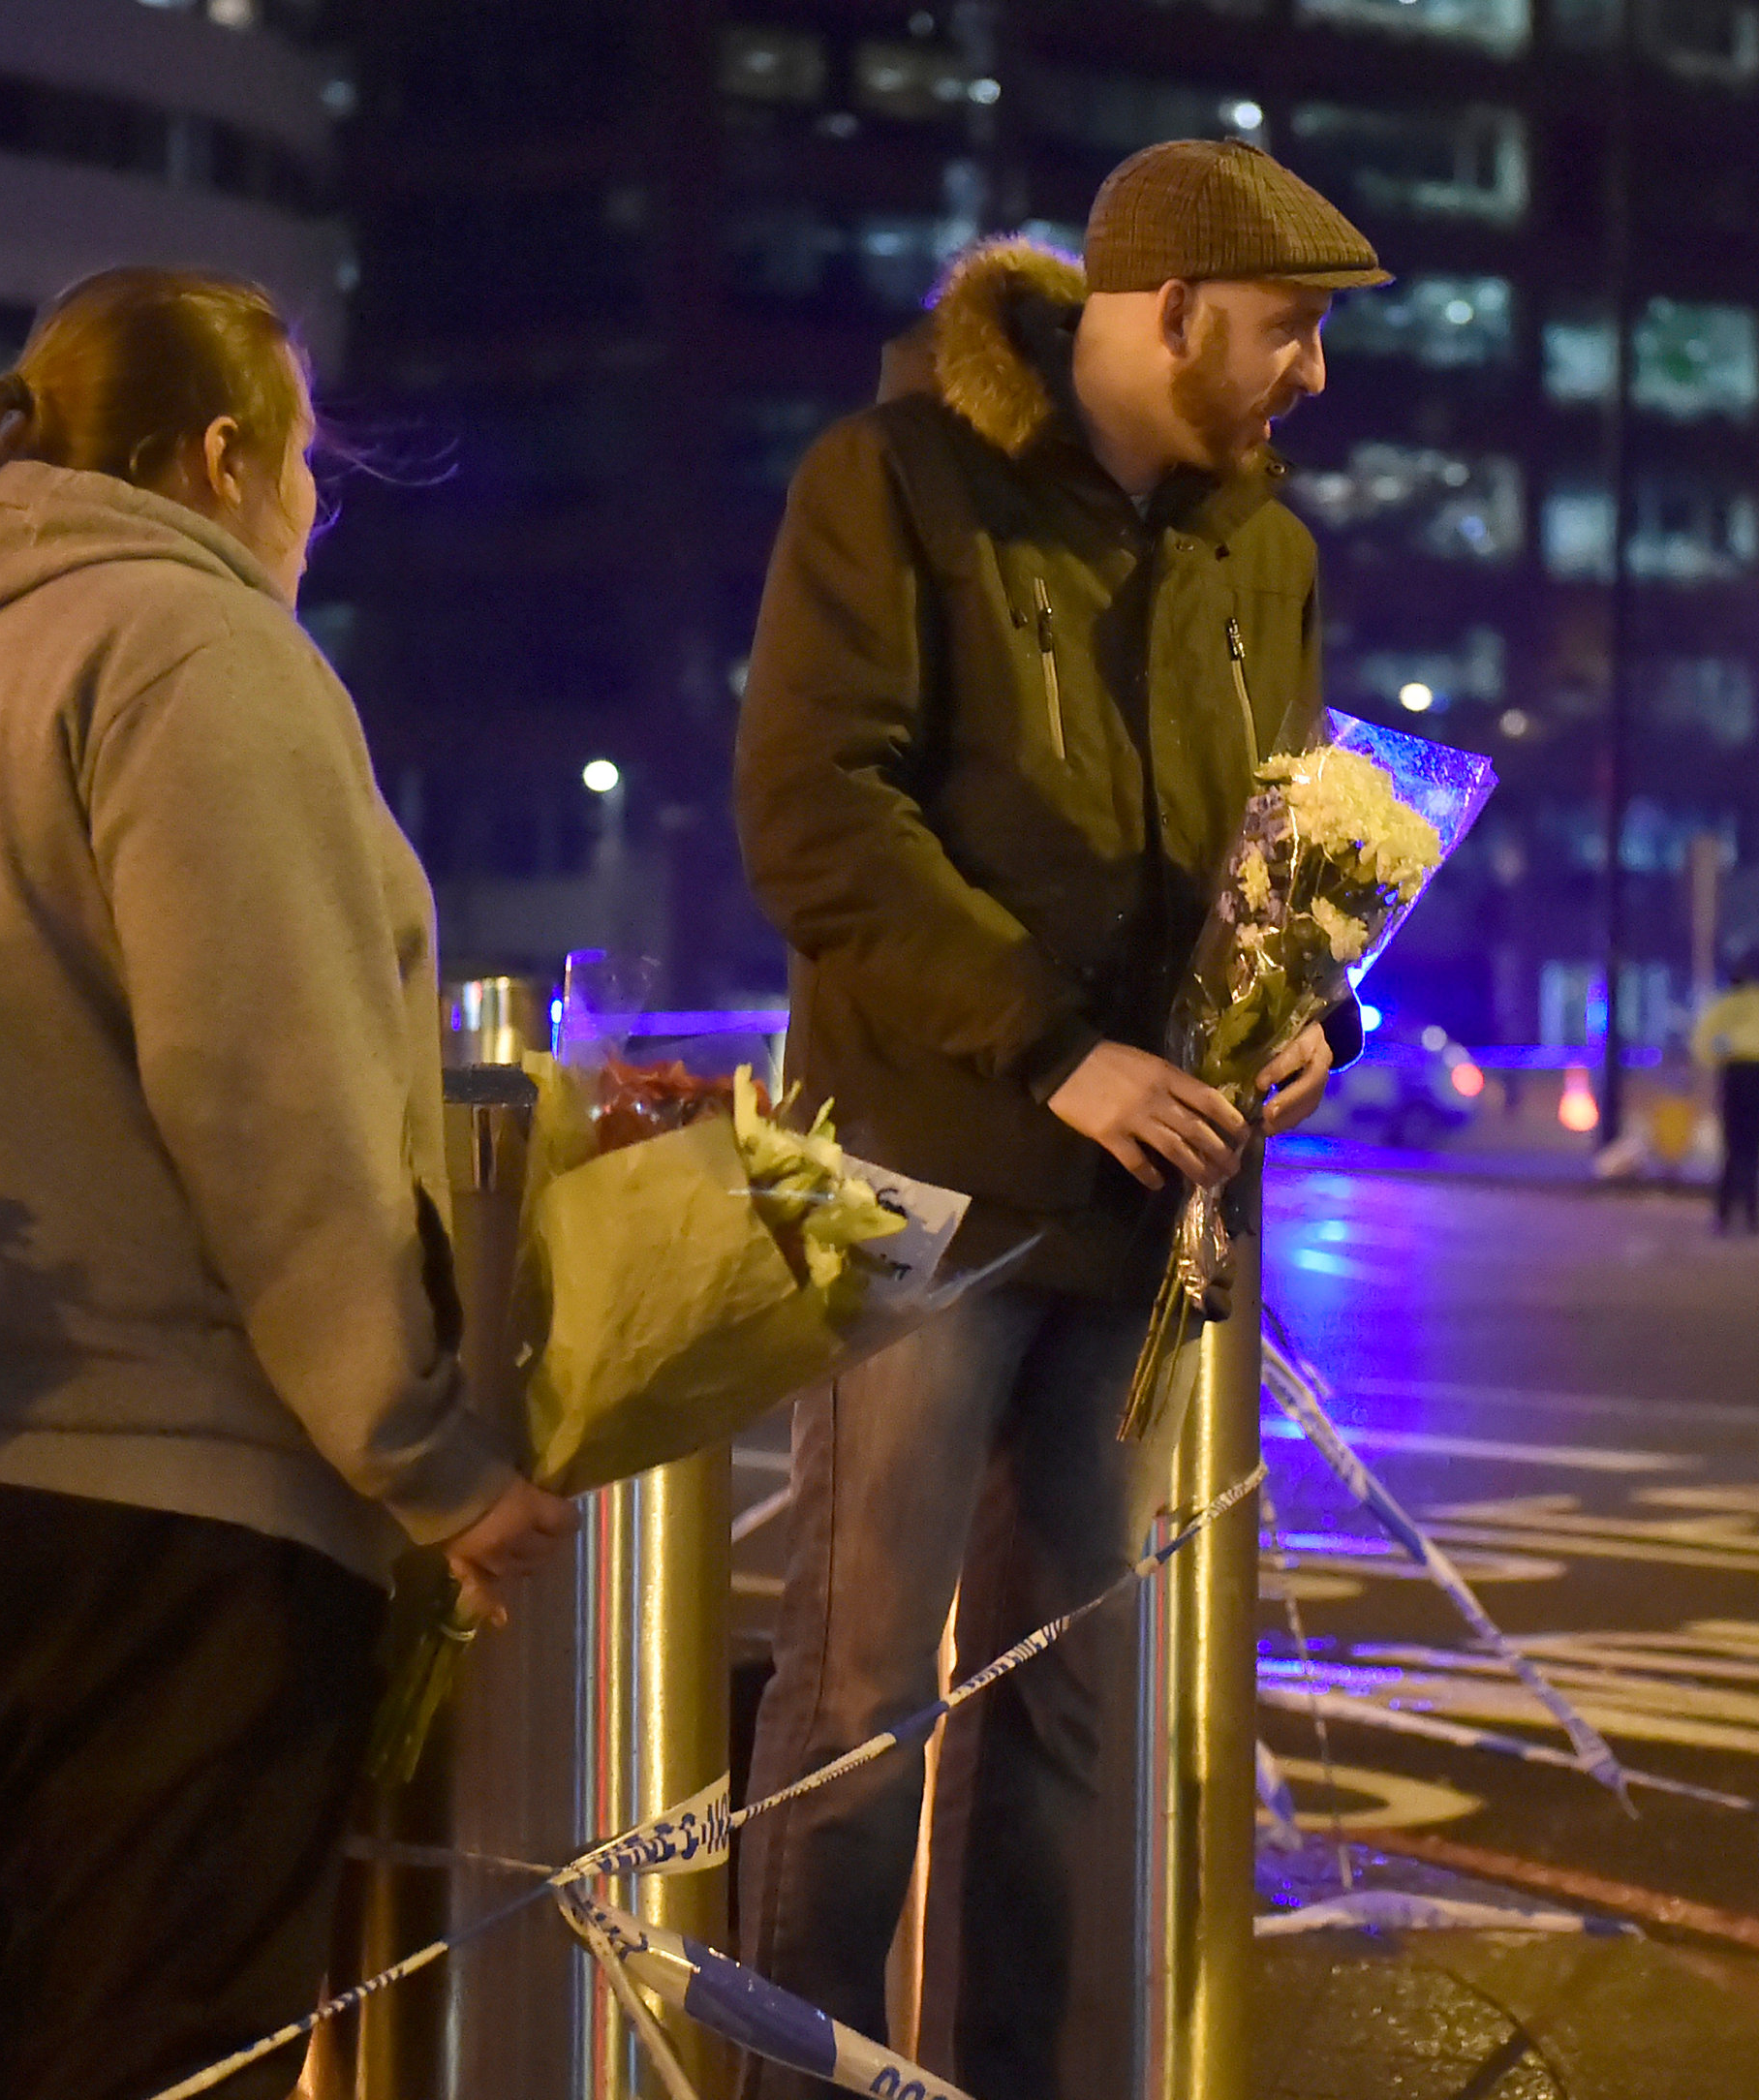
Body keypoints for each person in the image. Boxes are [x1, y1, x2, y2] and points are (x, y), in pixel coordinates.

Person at [0, 267, 575, 2100]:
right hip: (151, 1498)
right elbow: (266, 1095)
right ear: (225, 456)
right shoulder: (195, 652)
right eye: (310, 469)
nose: (312, 512)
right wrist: (428, 1454)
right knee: (165, 2046)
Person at [730, 141, 1384, 2100]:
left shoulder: (1260, 545)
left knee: (1063, 1709)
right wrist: (1048, 1042)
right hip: (930, 1171)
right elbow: (819, 816)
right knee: (861, 1694)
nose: (1311, 381)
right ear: (1167, 309)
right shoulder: (896, 481)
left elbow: (1285, 845)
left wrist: (1310, 1023)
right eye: (1289, 332)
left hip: (1148, 1207)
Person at [1690, 966, 1759, 1236]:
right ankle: (1752, 1214)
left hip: (1734, 1071)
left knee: (1731, 1146)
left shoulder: (1724, 1005)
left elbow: (1704, 1040)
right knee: (1754, 1147)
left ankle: (1724, 1213)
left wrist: (1718, 1059)